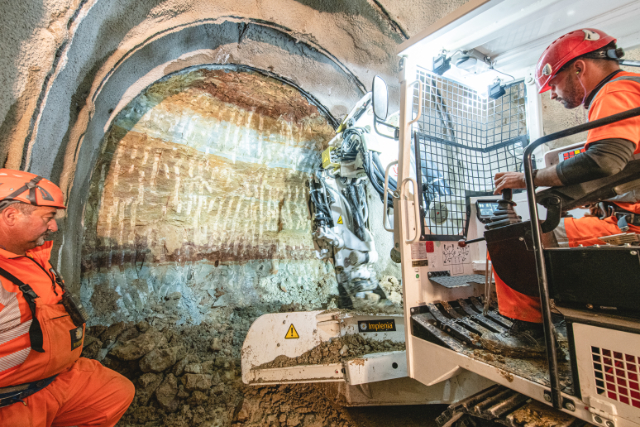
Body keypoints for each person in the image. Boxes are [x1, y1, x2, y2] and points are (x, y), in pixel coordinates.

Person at [489, 28, 640, 350]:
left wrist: (528, 178)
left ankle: (530, 332)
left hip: (630, 229)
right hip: (625, 219)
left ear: (579, 68)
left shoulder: (615, 91)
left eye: (553, 84)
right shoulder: (629, 88)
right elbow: (623, 171)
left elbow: (603, 160)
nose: (553, 95)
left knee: (515, 240)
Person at [0, 169, 135, 426]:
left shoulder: (31, 258)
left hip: (50, 381)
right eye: (48, 217)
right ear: (11, 216)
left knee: (111, 394)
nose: (53, 226)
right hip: (9, 402)